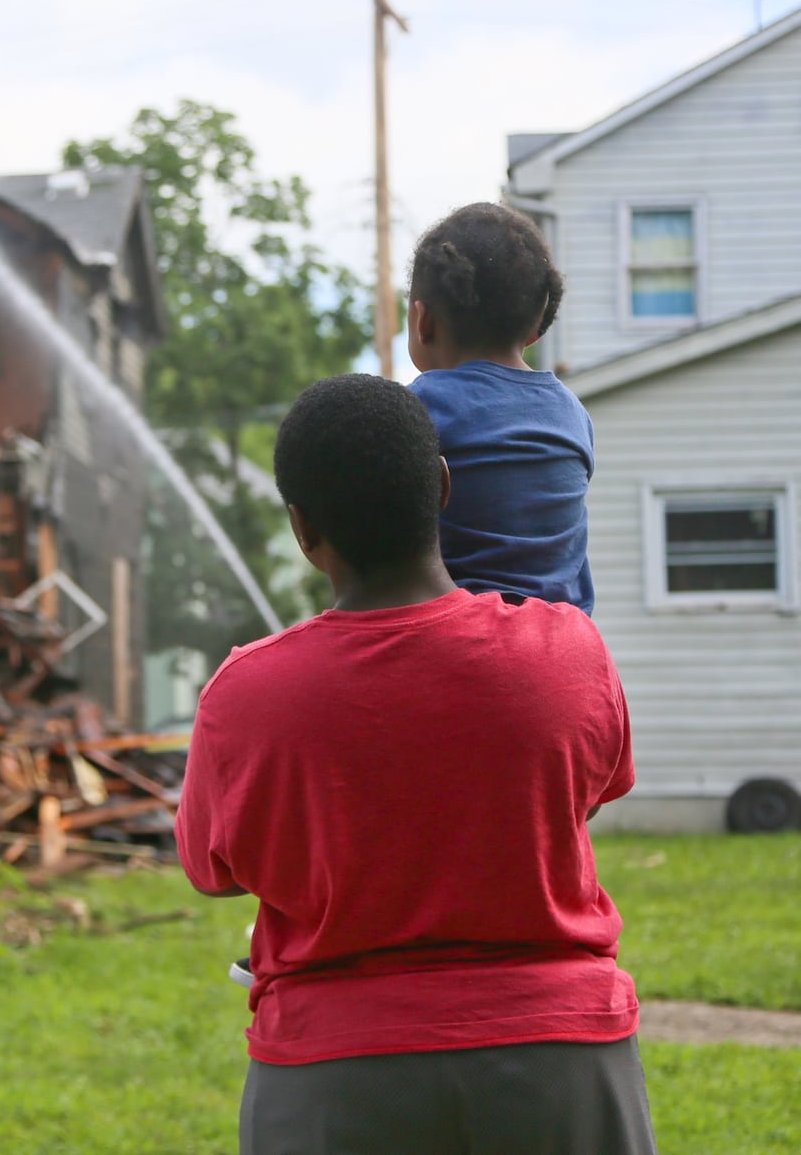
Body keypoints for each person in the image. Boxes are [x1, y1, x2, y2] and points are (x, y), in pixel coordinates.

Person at [177, 373, 654, 1155]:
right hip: (561, 1062)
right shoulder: (569, 651)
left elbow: (212, 870)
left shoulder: (245, 693)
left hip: (332, 1077)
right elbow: (590, 791)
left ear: (302, 528)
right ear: (440, 486)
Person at [407, 202, 595, 613]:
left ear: (423, 320)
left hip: (458, 640)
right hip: (562, 642)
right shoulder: (571, 414)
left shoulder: (420, 408)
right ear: (535, 327)